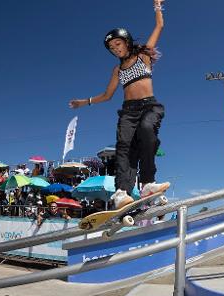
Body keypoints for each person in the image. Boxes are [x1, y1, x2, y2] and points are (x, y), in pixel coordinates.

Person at [69, 0, 169, 209]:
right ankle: (122, 191)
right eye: (111, 48)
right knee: (124, 149)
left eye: (118, 44)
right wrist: (84, 102)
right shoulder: (117, 71)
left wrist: (157, 5)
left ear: (127, 41)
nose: (115, 49)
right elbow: (107, 95)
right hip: (128, 112)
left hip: (149, 106)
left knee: (147, 132)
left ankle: (148, 183)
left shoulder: (144, 56)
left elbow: (159, 26)